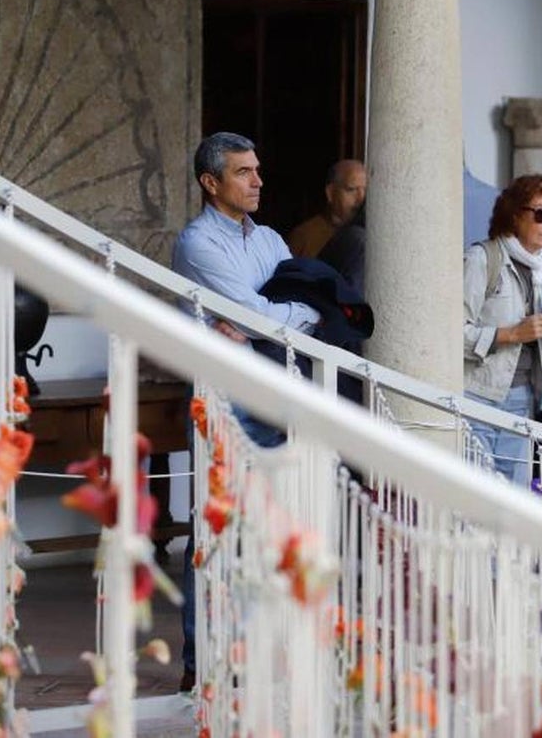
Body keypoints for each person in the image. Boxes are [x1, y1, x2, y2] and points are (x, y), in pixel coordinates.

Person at [170, 131, 322, 692]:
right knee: (218, 523)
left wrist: (279, 317)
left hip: (277, 389)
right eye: (243, 172)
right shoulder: (196, 244)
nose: (258, 181)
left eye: (257, 170)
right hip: (225, 395)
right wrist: (281, 317)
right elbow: (259, 314)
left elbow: (306, 302)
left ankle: (257, 646)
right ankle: (201, 658)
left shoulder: (271, 239)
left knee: (271, 524)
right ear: (211, 183)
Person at [462, 174, 542, 487]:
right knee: (475, 496)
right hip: (477, 393)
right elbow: (450, 334)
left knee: (513, 504)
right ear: (514, 215)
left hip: (523, 396)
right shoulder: (482, 259)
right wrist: (511, 334)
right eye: (541, 214)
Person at [287, 159, 367, 258]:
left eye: (366, 190)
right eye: (351, 189)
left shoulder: (373, 235)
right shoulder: (304, 237)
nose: (361, 198)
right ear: (330, 193)